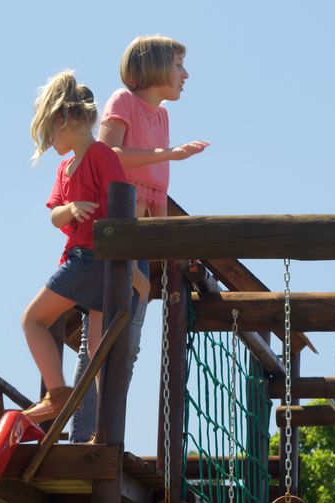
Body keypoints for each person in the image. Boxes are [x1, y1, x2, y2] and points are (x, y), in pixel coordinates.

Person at [70, 35, 208, 442]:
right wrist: (169, 154)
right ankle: (83, 436)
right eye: (179, 65)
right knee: (98, 339)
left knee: (128, 347)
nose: (185, 74)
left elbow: (157, 190)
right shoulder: (122, 102)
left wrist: (161, 247)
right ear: (157, 66)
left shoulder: (162, 117)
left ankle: (107, 436)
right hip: (113, 242)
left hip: (140, 245)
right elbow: (107, 155)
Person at [22, 70, 145, 424]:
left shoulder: (100, 155)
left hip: (91, 259)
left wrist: (133, 267)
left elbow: (122, 207)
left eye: (49, 133)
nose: (50, 143)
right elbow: (55, 217)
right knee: (96, 351)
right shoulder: (65, 168)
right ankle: (104, 425)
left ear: (64, 120)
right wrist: (71, 209)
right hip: (91, 261)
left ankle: (58, 394)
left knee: (33, 320)